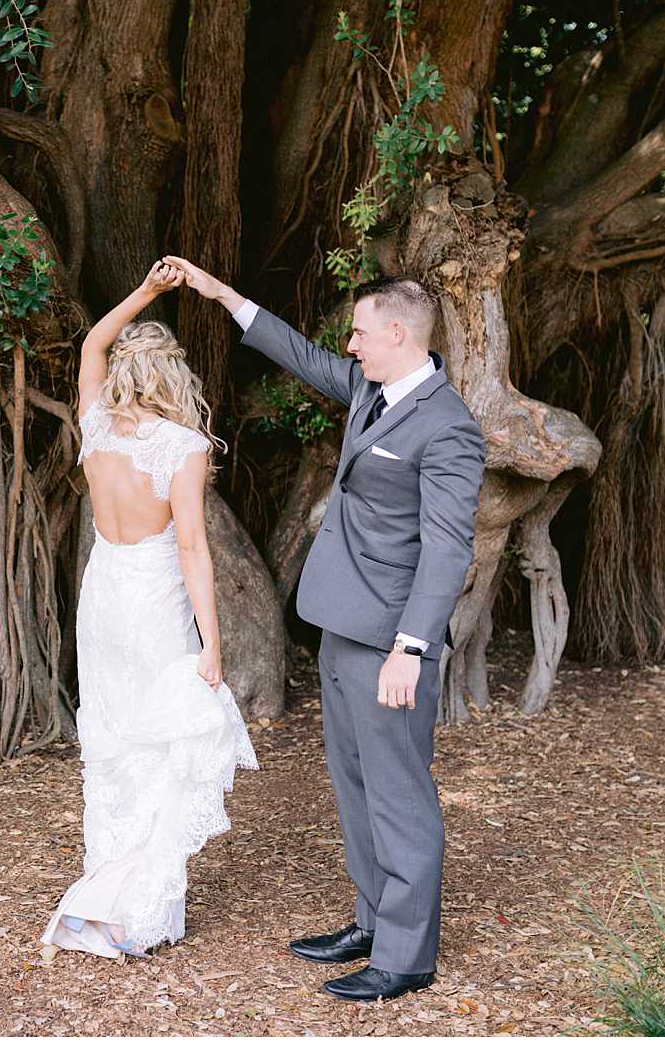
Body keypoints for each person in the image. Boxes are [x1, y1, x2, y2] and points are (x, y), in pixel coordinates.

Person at [165, 255, 485, 1003]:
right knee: (353, 781)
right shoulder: (372, 390)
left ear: (398, 333)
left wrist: (412, 647)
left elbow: (447, 548)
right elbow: (303, 357)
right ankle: (372, 919)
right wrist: (221, 292)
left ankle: (405, 955)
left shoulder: (448, 428)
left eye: (360, 333)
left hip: (391, 640)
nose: (349, 345)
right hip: (342, 624)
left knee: (399, 790)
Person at [40, 260, 258, 964]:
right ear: (174, 381)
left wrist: (144, 291)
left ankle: (107, 891)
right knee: (164, 746)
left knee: (113, 745)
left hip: (103, 598)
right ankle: (133, 910)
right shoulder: (183, 448)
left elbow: (88, 348)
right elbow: (192, 547)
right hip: (155, 600)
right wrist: (212, 644)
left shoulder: (96, 427)